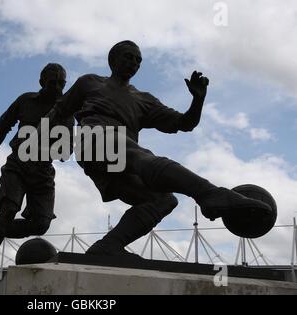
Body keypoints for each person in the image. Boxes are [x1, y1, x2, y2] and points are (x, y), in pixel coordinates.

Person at [41, 40, 272, 257]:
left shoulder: (143, 99)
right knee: (141, 157)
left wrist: (198, 100)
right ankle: (210, 194)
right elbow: (58, 112)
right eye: (128, 57)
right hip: (95, 141)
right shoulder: (89, 82)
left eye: (138, 60)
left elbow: (184, 123)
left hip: (121, 161)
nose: (134, 63)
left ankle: (108, 246)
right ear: (113, 60)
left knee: (162, 200)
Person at [0, 63, 73, 282]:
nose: (57, 87)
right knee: (8, 211)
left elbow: (64, 153)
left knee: (41, 225)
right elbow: (4, 125)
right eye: (52, 82)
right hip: (18, 164)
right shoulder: (26, 100)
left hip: (43, 171)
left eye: (61, 83)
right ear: (42, 82)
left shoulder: (66, 113)